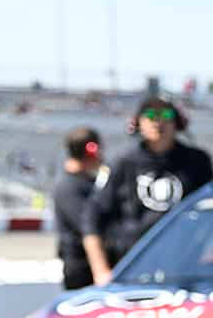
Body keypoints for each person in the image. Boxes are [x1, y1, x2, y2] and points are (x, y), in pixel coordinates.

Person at [83, 96, 213, 283]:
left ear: (177, 122)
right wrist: (101, 270)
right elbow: (92, 218)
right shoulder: (122, 162)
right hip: (132, 271)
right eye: (150, 114)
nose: (158, 122)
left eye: (166, 115)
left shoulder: (197, 161)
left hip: (186, 271)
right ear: (138, 122)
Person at [52, 126, 105, 290]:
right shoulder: (69, 187)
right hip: (81, 270)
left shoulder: (87, 182)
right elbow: (88, 226)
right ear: (92, 151)